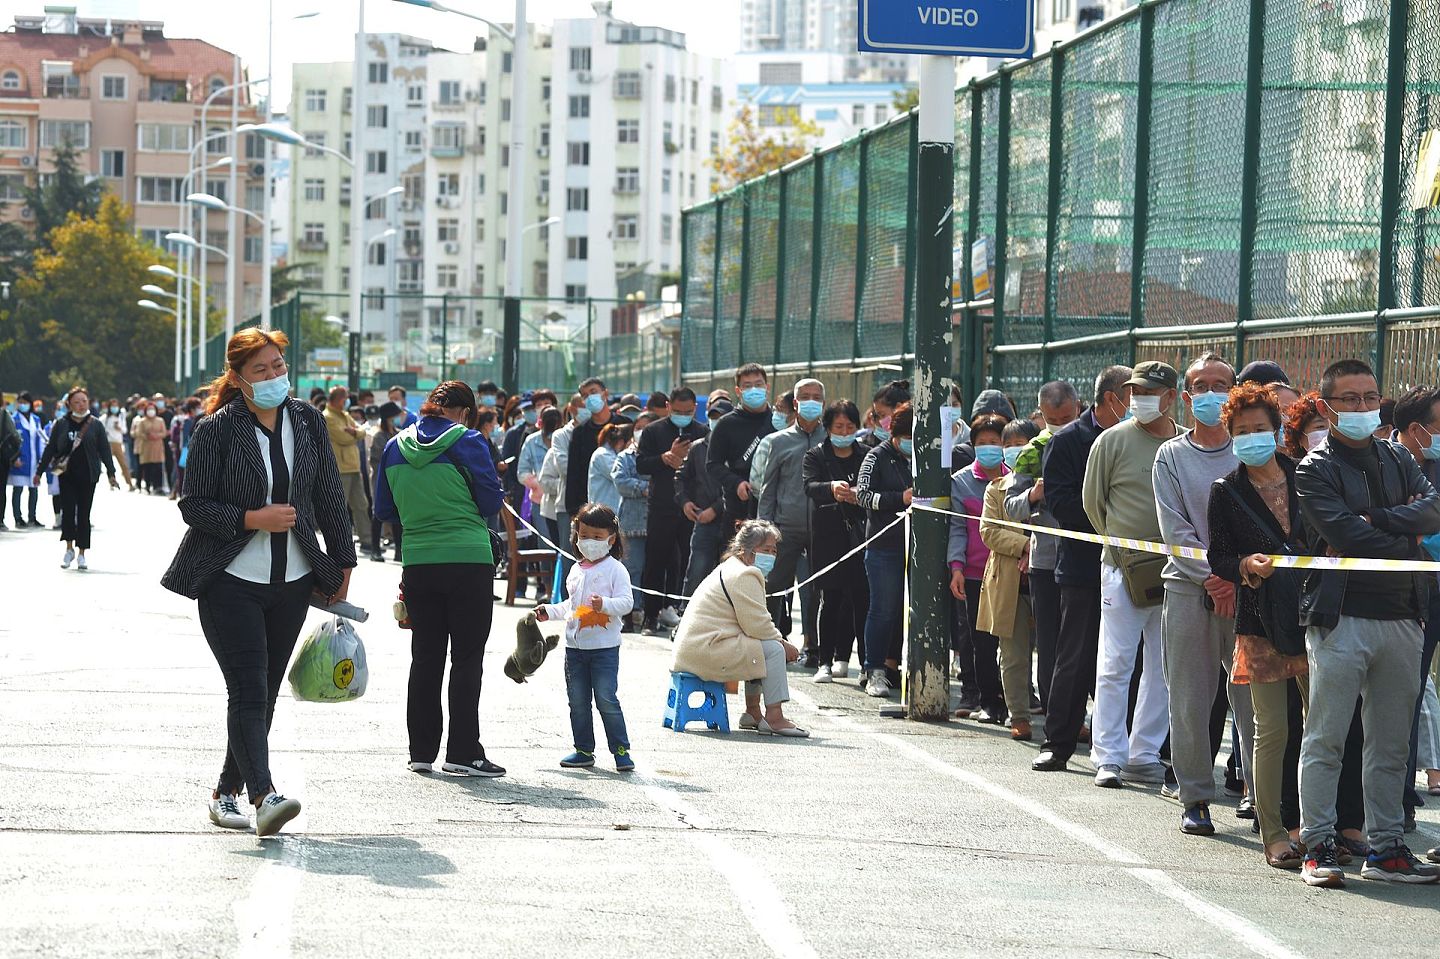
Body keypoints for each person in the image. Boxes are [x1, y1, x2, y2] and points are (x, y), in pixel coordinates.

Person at [161, 327, 357, 837]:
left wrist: (343, 565)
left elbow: (330, 495)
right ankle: (264, 795)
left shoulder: (308, 421)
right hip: (229, 580)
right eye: (260, 370)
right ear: (238, 378)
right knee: (247, 688)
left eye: (277, 366)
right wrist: (252, 518)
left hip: (292, 580)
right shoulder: (216, 430)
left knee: (264, 693)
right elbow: (193, 505)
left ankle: (224, 792)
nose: (273, 376)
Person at [1294, 358, 1440, 887]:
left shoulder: (1400, 458)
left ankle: (1387, 850)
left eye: (1370, 397)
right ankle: (1318, 845)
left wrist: (1377, 521)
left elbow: (1433, 510)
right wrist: (1407, 540)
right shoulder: (1314, 468)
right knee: (1328, 736)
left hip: (1403, 614)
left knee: (1392, 741)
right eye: (1350, 398)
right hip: (1340, 617)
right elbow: (1344, 537)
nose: (1362, 407)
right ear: (1327, 406)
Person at [374, 380, 506, 778]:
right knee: (467, 659)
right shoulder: (467, 441)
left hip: (418, 561)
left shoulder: (394, 446)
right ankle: (464, 753)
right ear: (465, 413)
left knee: (425, 657)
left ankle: (421, 751)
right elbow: (489, 500)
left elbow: (384, 508)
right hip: (467, 559)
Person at [1152, 353, 1257, 835]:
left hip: (1249, 592)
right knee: (1190, 699)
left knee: (1256, 700)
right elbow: (1176, 530)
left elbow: (1265, 522)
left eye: (1221, 384)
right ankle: (1194, 796)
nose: (1210, 393)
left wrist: (1236, 578)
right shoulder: (1170, 456)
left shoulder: (1252, 450)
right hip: (1190, 590)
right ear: (1187, 396)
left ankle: (1263, 797)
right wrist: (1214, 577)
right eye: (1201, 386)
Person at [1207, 381, 1309, 869]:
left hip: (1315, 616)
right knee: (1272, 729)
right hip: (1260, 621)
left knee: (1321, 726)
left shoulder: (1308, 476)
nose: (1251, 437)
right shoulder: (1225, 492)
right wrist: (1245, 563)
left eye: (1260, 429)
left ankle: (1313, 826)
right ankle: (1273, 833)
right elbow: (1218, 556)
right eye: (1242, 430)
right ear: (1231, 435)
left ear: (1276, 430)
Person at [1082, 361, 1180, 789]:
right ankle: (1108, 755)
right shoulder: (1111, 440)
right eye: (1134, 390)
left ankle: (1143, 752)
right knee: (1115, 662)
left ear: (1171, 397)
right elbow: (1092, 503)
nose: (1139, 398)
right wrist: (1118, 551)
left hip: (1176, 573)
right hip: (1120, 571)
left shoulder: (1182, 444)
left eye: (1149, 391)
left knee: (1163, 665)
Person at [1032, 365, 1133, 773]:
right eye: (1132, 395)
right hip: (1081, 566)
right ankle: (1059, 742)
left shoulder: (1148, 438)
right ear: (1111, 399)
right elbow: (1059, 502)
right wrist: (1113, 520)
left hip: (1134, 567)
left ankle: (1131, 747)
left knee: (1130, 660)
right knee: (1073, 654)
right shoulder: (1070, 440)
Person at [672, 519, 808, 736]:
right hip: (705, 650)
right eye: (766, 550)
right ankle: (775, 717)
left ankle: (752, 713)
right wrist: (784, 644)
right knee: (773, 650)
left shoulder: (732, 567)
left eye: (774, 550)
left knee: (758, 646)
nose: (771, 555)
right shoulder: (744, 574)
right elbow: (757, 624)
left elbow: (753, 626)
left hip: (697, 648)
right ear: (746, 549)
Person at [537, 503, 637, 769]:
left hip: (604, 649)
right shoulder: (575, 570)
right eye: (584, 535)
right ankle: (583, 750)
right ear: (576, 535)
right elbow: (570, 607)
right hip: (575, 650)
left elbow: (626, 603)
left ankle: (620, 750)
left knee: (606, 698)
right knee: (577, 702)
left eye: (597, 536)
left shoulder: (616, 569)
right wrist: (549, 611)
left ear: (611, 539)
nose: (590, 541)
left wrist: (604, 604)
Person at [1006, 380, 1081, 713]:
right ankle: (1055, 713)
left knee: (1082, 644)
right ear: (1041, 414)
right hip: (1046, 562)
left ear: (1078, 407)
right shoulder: (1032, 452)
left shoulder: (1093, 442)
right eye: (1053, 420)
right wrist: (1034, 496)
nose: (1061, 425)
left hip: (1086, 559)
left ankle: (1083, 714)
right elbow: (1011, 506)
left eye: (1067, 417)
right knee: (1049, 644)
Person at [1391, 386, 1440, 833]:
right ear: (1415, 430)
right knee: (1400, 697)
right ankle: (1397, 800)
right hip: (1401, 596)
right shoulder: (1380, 464)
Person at [977, 418, 1040, 740]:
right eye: (1010, 445)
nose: (1016, 451)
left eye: (1023, 444)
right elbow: (988, 531)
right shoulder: (996, 489)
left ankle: (1065, 716)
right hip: (1010, 583)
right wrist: (1027, 545)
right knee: (1013, 655)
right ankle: (1019, 715)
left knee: (1057, 656)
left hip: (1048, 580)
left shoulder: (1050, 484)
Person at [948, 412, 1011, 724]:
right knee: (980, 641)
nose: (989, 448)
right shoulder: (960, 483)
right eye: (982, 443)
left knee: (1011, 642)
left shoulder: (1015, 479)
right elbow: (958, 528)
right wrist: (956, 567)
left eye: (995, 442)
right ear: (972, 446)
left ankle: (1014, 700)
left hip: (1010, 572)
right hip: (974, 574)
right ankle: (988, 701)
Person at [759, 378, 827, 663]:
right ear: (795, 403)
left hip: (824, 529)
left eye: (817, 396)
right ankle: (770, 641)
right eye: (805, 396)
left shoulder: (831, 440)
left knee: (817, 590)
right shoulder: (777, 442)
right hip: (784, 528)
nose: (811, 401)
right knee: (772, 586)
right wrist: (764, 531)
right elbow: (768, 489)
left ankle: (814, 645)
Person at [803, 399, 869, 683]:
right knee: (830, 598)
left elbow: (874, 487)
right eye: (838, 426)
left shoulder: (867, 454)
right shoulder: (816, 455)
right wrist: (832, 488)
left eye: (850, 426)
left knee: (860, 599)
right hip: (828, 534)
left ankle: (862, 662)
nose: (844, 431)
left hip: (862, 534)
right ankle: (825, 660)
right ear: (828, 428)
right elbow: (810, 487)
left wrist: (859, 494)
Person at [636, 387, 710, 632]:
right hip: (661, 506)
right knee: (656, 560)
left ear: (695, 409)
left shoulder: (702, 433)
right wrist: (665, 458)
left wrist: (685, 464)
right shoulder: (653, 430)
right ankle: (651, 613)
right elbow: (641, 465)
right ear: (668, 406)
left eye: (687, 411)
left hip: (692, 507)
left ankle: (680, 610)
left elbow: (708, 469)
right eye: (677, 411)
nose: (682, 415)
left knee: (689, 562)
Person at [857, 402, 914, 698]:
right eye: (905, 436)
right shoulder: (875, 456)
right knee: (883, 609)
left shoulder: (928, 458)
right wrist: (898, 499)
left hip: (920, 548)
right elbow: (863, 496)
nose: (910, 443)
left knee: (913, 612)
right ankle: (874, 669)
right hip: (884, 546)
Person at [35, 386, 119, 569]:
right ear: (69, 404)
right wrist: (39, 472)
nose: (81, 405)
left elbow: (105, 450)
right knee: (67, 512)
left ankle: (82, 553)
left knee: (83, 514)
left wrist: (112, 474)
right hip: (66, 475)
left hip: (89, 475)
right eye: (76, 402)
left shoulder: (95, 424)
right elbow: (50, 448)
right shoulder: (61, 423)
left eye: (84, 401)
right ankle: (69, 549)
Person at [707, 363, 776, 529]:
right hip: (738, 506)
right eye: (747, 386)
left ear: (767, 387)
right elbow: (713, 464)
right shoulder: (726, 424)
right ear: (738, 391)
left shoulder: (778, 422)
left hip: (775, 504)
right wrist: (736, 483)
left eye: (758, 385)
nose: (754, 389)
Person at [679, 401, 730, 595]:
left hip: (731, 521)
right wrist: (685, 502)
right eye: (713, 417)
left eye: (721, 418)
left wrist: (716, 509)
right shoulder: (697, 448)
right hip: (703, 521)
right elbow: (681, 478)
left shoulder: (736, 449)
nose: (716, 422)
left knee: (729, 575)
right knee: (696, 572)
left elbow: (740, 483)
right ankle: (687, 616)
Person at [612, 413, 654, 625]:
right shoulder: (625, 457)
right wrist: (647, 488)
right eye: (639, 426)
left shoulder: (662, 457)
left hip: (657, 522)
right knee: (631, 567)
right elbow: (621, 483)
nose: (642, 431)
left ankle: (650, 610)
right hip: (632, 522)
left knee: (653, 568)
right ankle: (629, 610)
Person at [323, 386, 372, 548]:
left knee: (361, 505)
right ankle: (339, 541)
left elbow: (361, 431)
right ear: (339, 399)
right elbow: (344, 438)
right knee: (339, 507)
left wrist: (356, 432)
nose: (347, 402)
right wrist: (356, 433)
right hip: (340, 468)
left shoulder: (344, 415)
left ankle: (366, 539)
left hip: (353, 467)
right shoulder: (328, 417)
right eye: (345, 398)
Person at [367, 401, 406, 562]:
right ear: (388, 417)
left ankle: (399, 550)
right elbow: (377, 460)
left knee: (397, 513)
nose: (398, 418)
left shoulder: (399, 433)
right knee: (378, 513)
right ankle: (375, 549)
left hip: (397, 479)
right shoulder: (379, 436)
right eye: (396, 416)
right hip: (380, 478)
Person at [8, 391, 46, 527]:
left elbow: (41, 440)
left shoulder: (36, 420)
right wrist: (14, 458)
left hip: (34, 460)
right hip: (20, 460)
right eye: (21, 402)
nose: (23, 405)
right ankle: (18, 518)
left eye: (25, 402)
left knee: (33, 489)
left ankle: (32, 517)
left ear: (30, 404)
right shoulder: (13, 419)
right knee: (18, 489)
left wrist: (42, 459)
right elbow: (10, 441)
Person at [587, 421, 629, 514]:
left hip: (613, 511)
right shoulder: (603, 454)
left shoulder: (612, 453)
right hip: (603, 512)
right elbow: (620, 474)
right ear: (622, 442)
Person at [134, 400, 169, 495]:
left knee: (158, 468)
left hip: (158, 447)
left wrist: (156, 435)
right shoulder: (142, 421)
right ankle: (148, 486)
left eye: (152, 409)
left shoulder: (160, 420)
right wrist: (147, 436)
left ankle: (158, 487)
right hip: (146, 447)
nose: (151, 411)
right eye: (149, 409)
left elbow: (164, 432)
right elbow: (138, 433)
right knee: (147, 468)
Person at [101, 399, 134, 492]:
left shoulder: (120, 417)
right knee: (109, 464)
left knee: (123, 464)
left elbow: (125, 430)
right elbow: (100, 429)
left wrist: (118, 428)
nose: (114, 408)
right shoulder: (105, 418)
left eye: (116, 406)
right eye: (112, 406)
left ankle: (130, 483)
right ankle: (111, 482)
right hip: (108, 443)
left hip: (118, 443)